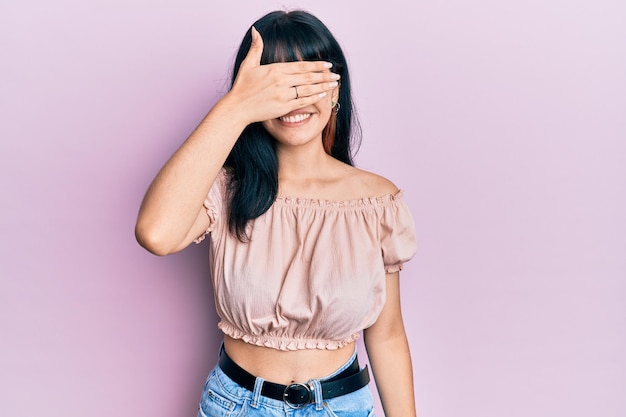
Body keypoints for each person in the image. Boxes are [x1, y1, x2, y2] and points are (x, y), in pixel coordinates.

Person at [135, 10, 418, 417]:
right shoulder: (226, 190)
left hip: (343, 407)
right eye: (276, 88)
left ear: (336, 90)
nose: (294, 101)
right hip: (236, 405)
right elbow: (155, 234)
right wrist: (236, 107)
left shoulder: (377, 202)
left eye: (307, 83)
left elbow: (388, 335)